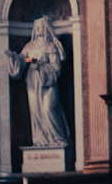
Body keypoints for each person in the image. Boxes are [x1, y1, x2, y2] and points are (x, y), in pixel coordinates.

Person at [5, 16, 72, 148]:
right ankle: (40, 141)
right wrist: (14, 58)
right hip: (32, 81)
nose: (39, 28)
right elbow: (24, 60)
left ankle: (58, 140)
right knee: (35, 111)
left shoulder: (51, 46)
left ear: (46, 28)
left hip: (48, 83)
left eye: (41, 26)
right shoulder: (29, 46)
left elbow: (56, 66)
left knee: (48, 109)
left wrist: (41, 67)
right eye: (37, 27)